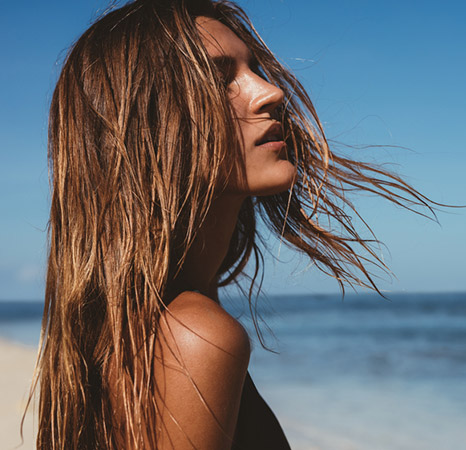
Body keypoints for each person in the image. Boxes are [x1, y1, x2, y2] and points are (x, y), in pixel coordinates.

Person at [27, 0, 437, 448]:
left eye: (255, 70)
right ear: (146, 124)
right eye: (221, 79)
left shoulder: (133, 329)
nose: (269, 92)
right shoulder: (193, 337)